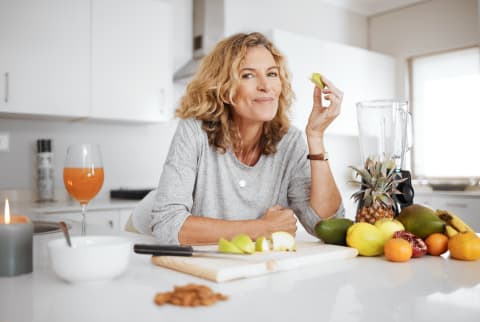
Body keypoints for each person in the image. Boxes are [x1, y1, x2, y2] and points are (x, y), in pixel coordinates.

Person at [131, 32, 344, 245]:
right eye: (248, 75)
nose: (266, 86)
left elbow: (327, 226)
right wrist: (262, 228)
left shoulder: (290, 142)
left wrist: (315, 137)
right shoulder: (194, 130)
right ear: (225, 91)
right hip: (144, 236)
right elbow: (167, 224)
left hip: (218, 250)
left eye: (271, 74)